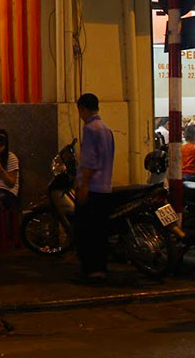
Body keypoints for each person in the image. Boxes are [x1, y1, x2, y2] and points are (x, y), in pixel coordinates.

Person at [75, 93, 115, 282]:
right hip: (106, 188)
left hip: (93, 189)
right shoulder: (106, 129)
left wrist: (82, 188)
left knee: (87, 232)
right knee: (100, 232)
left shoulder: (90, 129)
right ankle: (101, 268)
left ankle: (91, 270)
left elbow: (89, 162)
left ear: (83, 108)